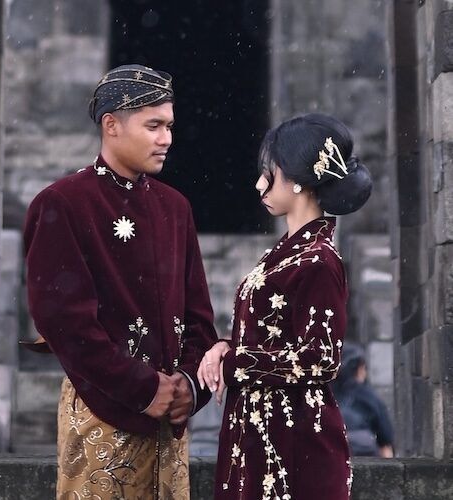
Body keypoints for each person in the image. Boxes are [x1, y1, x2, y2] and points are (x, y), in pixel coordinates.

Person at [23, 64, 218, 499]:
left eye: (169, 126)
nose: (166, 139)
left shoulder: (175, 207)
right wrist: (143, 388)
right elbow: (63, 322)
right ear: (111, 125)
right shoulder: (63, 203)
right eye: (153, 126)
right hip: (101, 412)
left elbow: (199, 315)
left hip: (170, 424)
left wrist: (189, 385)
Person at [198, 113, 372, 500]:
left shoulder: (319, 260)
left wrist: (234, 363)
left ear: (296, 179)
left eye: (270, 172)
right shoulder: (284, 254)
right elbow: (269, 335)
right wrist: (224, 347)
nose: (260, 183)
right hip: (258, 434)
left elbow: (321, 358)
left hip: (294, 441)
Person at [332, 342, 394, 457]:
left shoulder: (323, 395)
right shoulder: (368, 396)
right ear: (359, 368)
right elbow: (385, 442)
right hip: (364, 455)